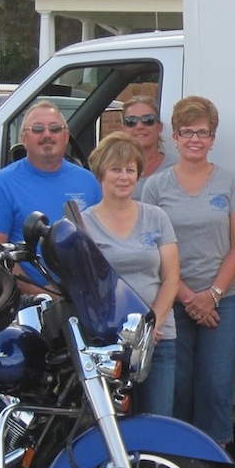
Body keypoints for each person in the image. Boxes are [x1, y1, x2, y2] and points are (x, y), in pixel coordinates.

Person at [140, 95, 235, 450]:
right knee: (177, 384)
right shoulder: (155, 187)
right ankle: (179, 459)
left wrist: (212, 295)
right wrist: (188, 298)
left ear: (213, 138)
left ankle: (213, 457)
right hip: (173, 301)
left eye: (203, 132)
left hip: (225, 299)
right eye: (187, 132)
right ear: (174, 136)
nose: (195, 139)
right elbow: (151, 249)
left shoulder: (230, 182)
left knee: (216, 384)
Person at [81, 132, 180, 416]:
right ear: (101, 173)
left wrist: (149, 328)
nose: (124, 177)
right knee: (114, 425)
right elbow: (85, 286)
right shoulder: (84, 223)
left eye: (130, 170)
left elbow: (172, 276)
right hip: (108, 344)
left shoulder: (157, 217)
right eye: (116, 169)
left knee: (157, 422)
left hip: (158, 339)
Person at [0, 100, 101, 288]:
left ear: (66, 136)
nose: (47, 135)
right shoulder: (2, 184)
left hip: (84, 293)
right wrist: (38, 293)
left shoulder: (89, 181)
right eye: (37, 129)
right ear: (23, 138)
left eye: (55, 128)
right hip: (26, 299)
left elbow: (102, 242)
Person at [120, 95, 176, 198]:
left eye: (148, 120)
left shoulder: (176, 169)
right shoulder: (111, 169)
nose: (139, 126)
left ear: (159, 128)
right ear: (123, 129)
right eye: (131, 121)